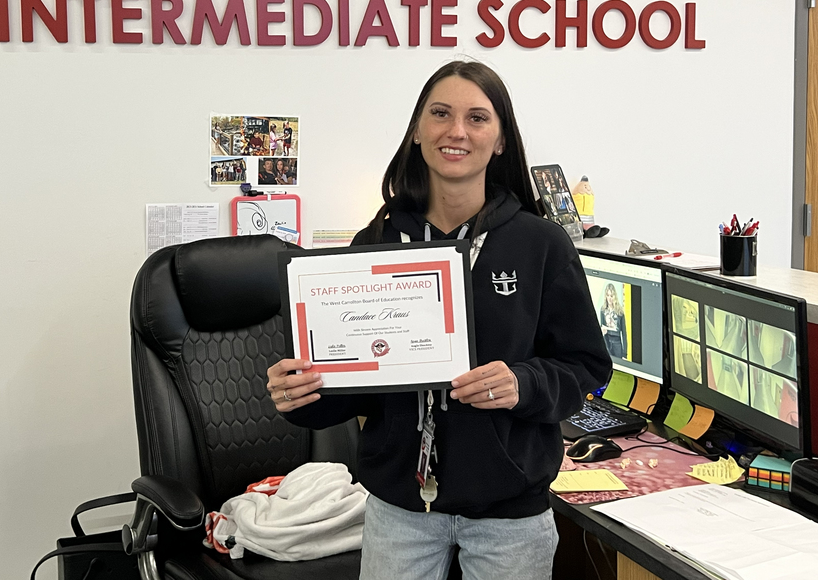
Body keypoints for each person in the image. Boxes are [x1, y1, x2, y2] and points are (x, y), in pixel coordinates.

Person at [266, 60, 610, 580]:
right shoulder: (376, 244)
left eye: (477, 118)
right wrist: (301, 393)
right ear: (417, 131)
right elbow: (353, 387)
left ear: (500, 140)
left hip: (509, 515)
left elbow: (586, 367)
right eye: (441, 114)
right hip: (399, 512)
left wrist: (523, 382)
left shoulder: (541, 244)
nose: (456, 132)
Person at [599, 283, 627, 359]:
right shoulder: (603, 310)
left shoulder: (620, 311)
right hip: (607, 342)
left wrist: (625, 354)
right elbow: (602, 328)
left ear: (615, 296)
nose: (609, 298)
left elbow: (624, 333)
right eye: (607, 295)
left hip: (617, 343)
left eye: (611, 296)